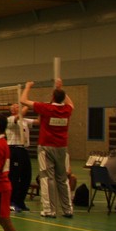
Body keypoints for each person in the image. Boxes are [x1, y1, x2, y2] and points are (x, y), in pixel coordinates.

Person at [21, 78, 74, 218]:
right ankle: (68, 209)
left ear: (52, 97)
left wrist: (28, 86)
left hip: (46, 147)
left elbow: (23, 100)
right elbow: (71, 103)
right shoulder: (67, 110)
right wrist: (60, 88)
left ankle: (49, 210)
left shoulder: (46, 108)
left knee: (47, 177)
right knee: (62, 179)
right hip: (62, 148)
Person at [6, 102, 34, 211]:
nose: (19, 107)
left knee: (26, 176)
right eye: (16, 106)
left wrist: (43, 110)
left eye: (19, 106)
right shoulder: (10, 119)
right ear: (12, 110)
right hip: (14, 149)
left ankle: (20, 201)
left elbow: (39, 122)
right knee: (14, 177)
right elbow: (20, 114)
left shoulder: (24, 120)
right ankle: (11, 201)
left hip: (24, 150)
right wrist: (28, 104)